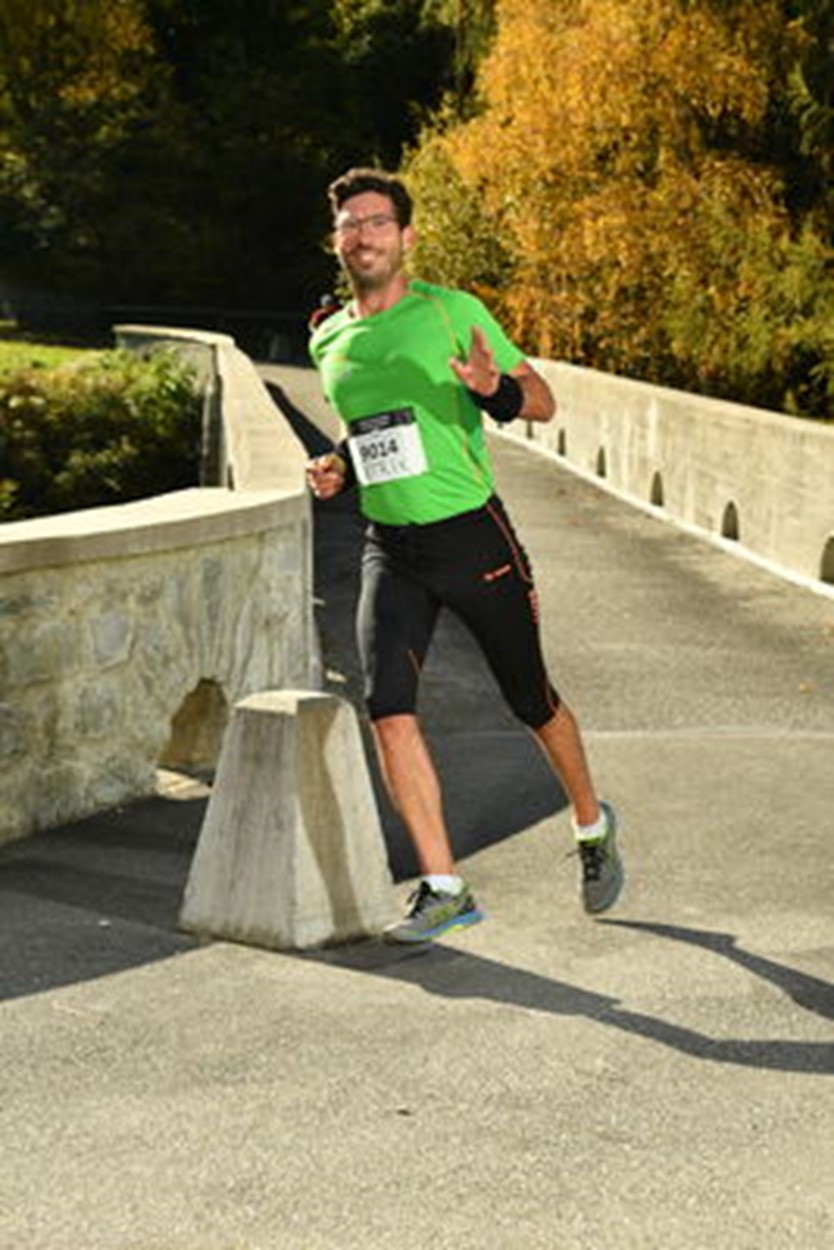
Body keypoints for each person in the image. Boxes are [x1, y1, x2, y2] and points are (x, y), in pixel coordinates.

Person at [306, 167, 624, 944]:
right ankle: (445, 887)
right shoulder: (328, 336)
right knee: (388, 712)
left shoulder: (453, 312)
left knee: (531, 700)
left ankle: (591, 824)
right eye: (350, 224)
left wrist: (491, 390)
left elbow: (541, 401)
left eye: (377, 222)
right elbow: (372, 427)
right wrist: (340, 465)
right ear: (335, 240)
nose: (363, 235)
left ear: (406, 237)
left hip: (473, 537)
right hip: (390, 548)